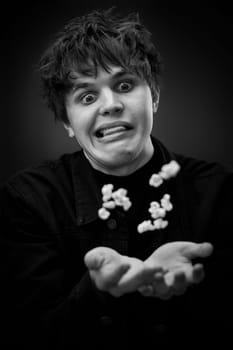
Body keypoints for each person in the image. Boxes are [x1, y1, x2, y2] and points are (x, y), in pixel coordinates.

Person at [0, 7, 232, 349]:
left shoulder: (219, 191)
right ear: (67, 122)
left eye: (124, 84)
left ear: (152, 96)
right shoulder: (26, 202)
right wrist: (99, 291)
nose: (109, 105)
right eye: (87, 96)